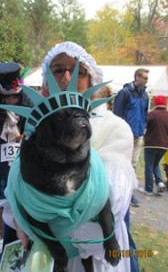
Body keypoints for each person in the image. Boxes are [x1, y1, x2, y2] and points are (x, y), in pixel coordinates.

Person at [2, 42, 139, 272]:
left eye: (78, 71)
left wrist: (37, 225)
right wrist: (19, 217)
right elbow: (18, 188)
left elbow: (112, 198)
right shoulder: (37, 130)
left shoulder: (115, 127)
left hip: (94, 253)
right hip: (44, 254)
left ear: (91, 81)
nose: (67, 78)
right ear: (46, 83)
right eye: (58, 70)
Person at [0, 62, 32, 256]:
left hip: (25, 168)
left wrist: (25, 138)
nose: (12, 100)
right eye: (7, 97)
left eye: (15, 96)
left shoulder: (29, 105)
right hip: (2, 169)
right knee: (7, 208)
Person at [113, 68, 149, 207]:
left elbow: (145, 113)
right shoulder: (125, 93)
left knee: (133, 164)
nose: (146, 81)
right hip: (125, 134)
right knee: (122, 162)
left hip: (138, 134)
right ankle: (118, 190)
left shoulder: (145, 96)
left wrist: (144, 126)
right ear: (137, 77)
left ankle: (129, 193)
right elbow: (117, 113)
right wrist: (120, 131)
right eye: (145, 78)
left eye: (147, 78)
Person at [138, 95, 168, 195]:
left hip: (151, 144)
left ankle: (148, 189)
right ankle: (160, 182)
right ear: (165, 103)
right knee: (155, 164)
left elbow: (144, 126)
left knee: (149, 165)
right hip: (165, 145)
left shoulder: (152, 114)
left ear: (155, 103)